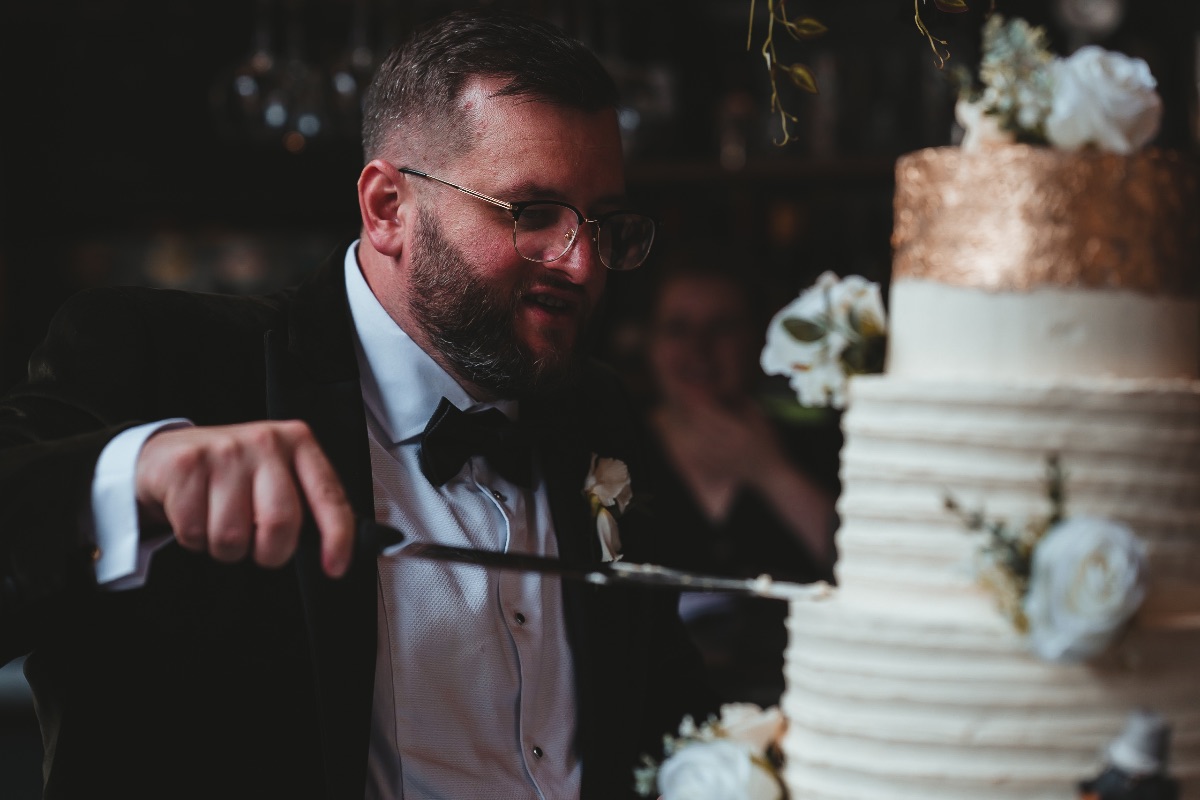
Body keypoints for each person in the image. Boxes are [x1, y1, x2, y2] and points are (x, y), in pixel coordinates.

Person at [0, 10, 714, 800]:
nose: (581, 265)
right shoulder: (166, 362)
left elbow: (657, 712)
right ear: (387, 209)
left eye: (604, 223)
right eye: (531, 213)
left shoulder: (595, 409)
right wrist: (133, 472)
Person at [638, 254, 839, 706]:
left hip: (798, 703)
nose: (699, 348)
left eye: (722, 327)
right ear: (650, 343)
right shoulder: (617, 451)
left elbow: (857, 567)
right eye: (678, 328)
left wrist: (771, 472)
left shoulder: (815, 447)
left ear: (757, 339)